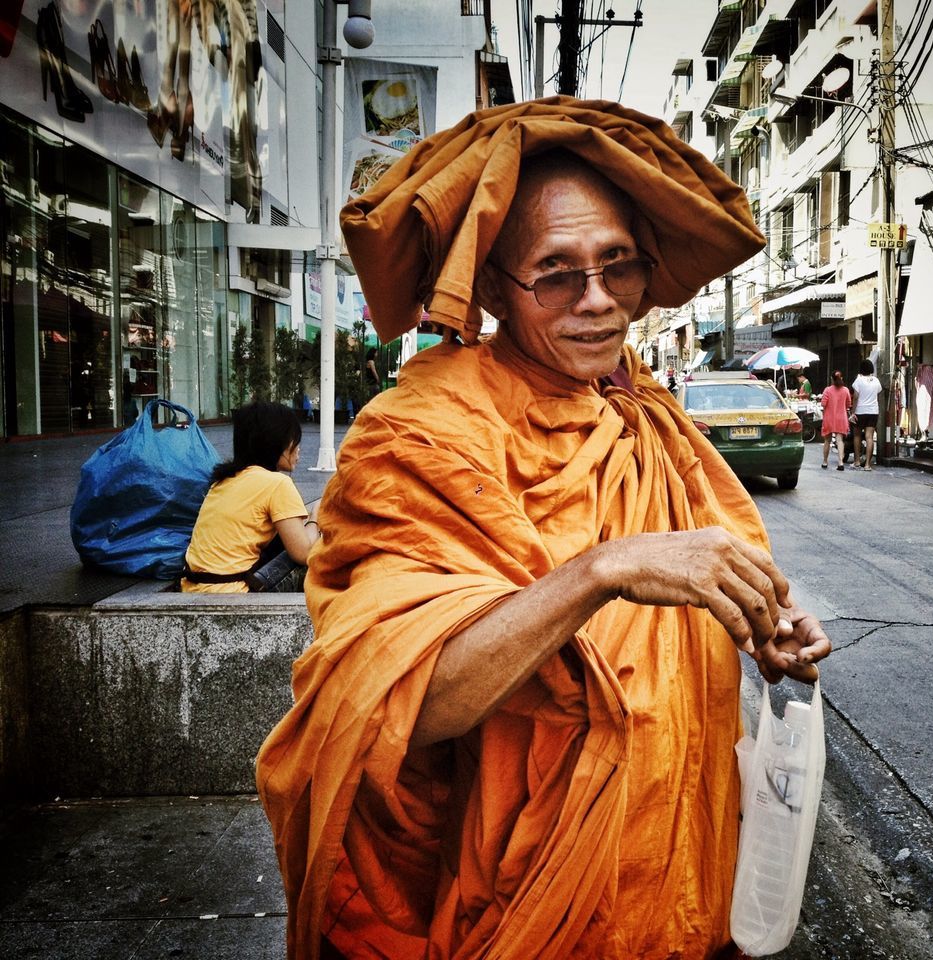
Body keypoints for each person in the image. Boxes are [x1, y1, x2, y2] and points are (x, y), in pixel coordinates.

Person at [256, 99, 832, 960]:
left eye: (618, 267)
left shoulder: (645, 415)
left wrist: (762, 627)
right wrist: (601, 571)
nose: (597, 303)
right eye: (556, 273)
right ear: (491, 284)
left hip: (680, 879)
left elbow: (702, 585)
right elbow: (402, 702)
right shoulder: (422, 430)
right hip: (524, 902)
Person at [181, 401, 319, 593]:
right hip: (234, 591)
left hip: (192, 587)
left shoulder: (223, 480)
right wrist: (316, 518)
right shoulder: (277, 483)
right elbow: (304, 552)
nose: (298, 449)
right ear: (275, 442)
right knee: (320, 558)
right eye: (294, 440)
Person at [851, 359, 883, 471]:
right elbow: (878, 394)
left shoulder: (858, 380)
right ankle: (868, 465)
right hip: (873, 411)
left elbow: (855, 397)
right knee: (869, 437)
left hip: (860, 411)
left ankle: (857, 461)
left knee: (857, 435)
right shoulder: (876, 381)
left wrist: (852, 412)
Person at [819, 370, 852, 470]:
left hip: (829, 418)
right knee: (840, 440)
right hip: (841, 418)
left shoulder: (827, 390)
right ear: (841, 378)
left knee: (827, 441)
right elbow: (848, 404)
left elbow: (823, 404)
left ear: (831, 379)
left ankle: (825, 462)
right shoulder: (846, 390)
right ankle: (840, 462)